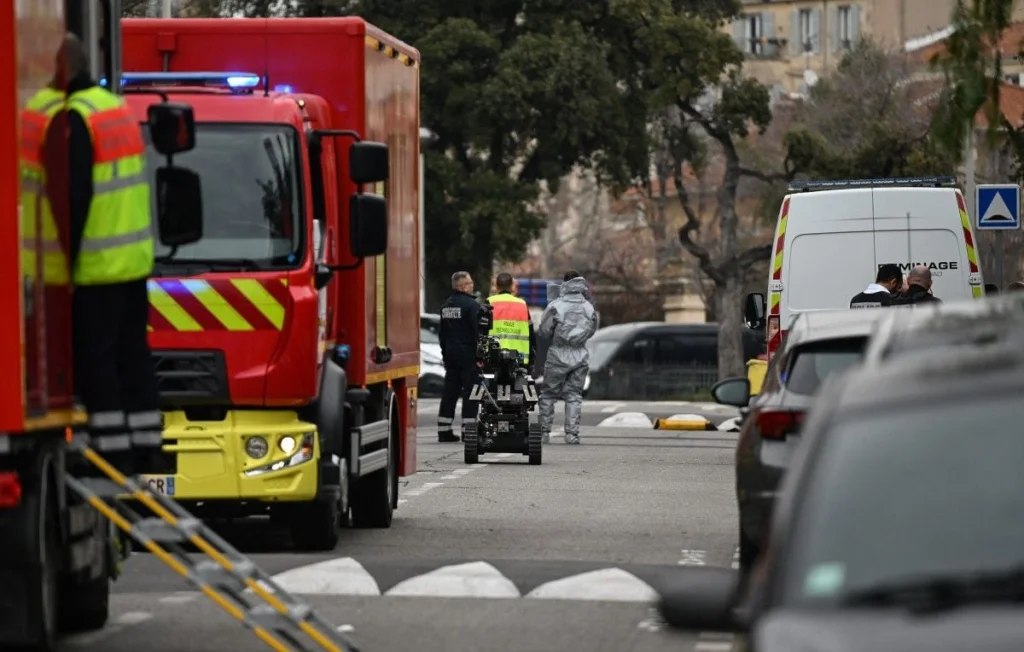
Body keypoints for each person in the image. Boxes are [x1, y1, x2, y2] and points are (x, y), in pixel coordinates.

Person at [43, 33, 162, 476]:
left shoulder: (77, 118)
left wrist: (64, 266)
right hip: (133, 261)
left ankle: (114, 454)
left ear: (60, 71)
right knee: (134, 353)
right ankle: (148, 444)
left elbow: (73, 199)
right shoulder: (115, 109)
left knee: (98, 361)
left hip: (98, 265)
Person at [537, 274, 598, 445]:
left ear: (564, 283)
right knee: (574, 395)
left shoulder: (556, 305)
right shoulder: (588, 307)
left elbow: (544, 331)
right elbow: (592, 330)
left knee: (548, 394)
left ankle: (543, 432)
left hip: (558, 353)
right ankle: (572, 434)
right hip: (580, 353)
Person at [437, 271, 482, 442]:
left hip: (451, 356)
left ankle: (444, 430)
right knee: (471, 393)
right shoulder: (472, 306)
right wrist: (480, 356)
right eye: (470, 283)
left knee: (450, 393)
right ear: (463, 286)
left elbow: (442, 334)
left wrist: (445, 354)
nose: (472, 286)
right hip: (469, 356)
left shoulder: (446, 305)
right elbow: (478, 332)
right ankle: (468, 431)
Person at [485, 272, 536, 373]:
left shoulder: (489, 302)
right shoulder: (522, 304)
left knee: (492, 388)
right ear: (512, 286)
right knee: (518, 388)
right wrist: (531, 361)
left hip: (493, 358)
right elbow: (531, 334)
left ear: (496, 286)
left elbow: (481, 331)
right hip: (519, 360)